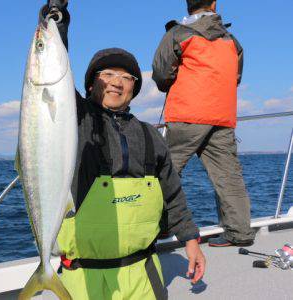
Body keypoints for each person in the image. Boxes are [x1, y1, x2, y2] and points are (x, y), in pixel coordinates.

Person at [40, 1, 205, 299]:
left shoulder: (150, 135)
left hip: (143, 274)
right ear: (90, 85)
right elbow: (53, 68)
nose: (117, 82)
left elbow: (172, 193)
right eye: (106, 74)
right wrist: (57, 21)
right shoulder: (74, 119)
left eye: (127, 77)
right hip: (84, 278)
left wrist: (191, 240)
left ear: (134, 88)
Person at [152, 0, 255, 247]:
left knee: (166, 171)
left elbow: (160, 72)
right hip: (222, 115)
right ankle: (239, 233)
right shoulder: (232, 41)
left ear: (188, 5)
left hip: (188, 114)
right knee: (228, 175)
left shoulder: (178, 33)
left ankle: (162, 229)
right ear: (214, 4)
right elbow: (236, 76)